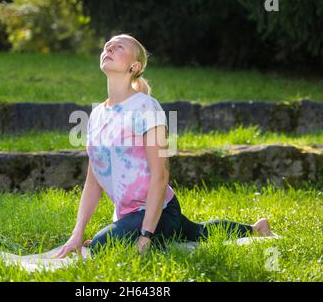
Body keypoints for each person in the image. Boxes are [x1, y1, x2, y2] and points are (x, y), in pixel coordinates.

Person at [54, 33, 273, 258]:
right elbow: (94, 179)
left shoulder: (147, 107)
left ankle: (148, 234)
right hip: (129, 215)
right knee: (197, 231)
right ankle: (257, 229)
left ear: (134, 66)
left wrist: (146, 235)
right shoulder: (97, 114)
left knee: (101, 246)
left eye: (118, 47)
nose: (108, 48)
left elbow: (160, 175)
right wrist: (77, 233)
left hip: (161, 211)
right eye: (107, 45)